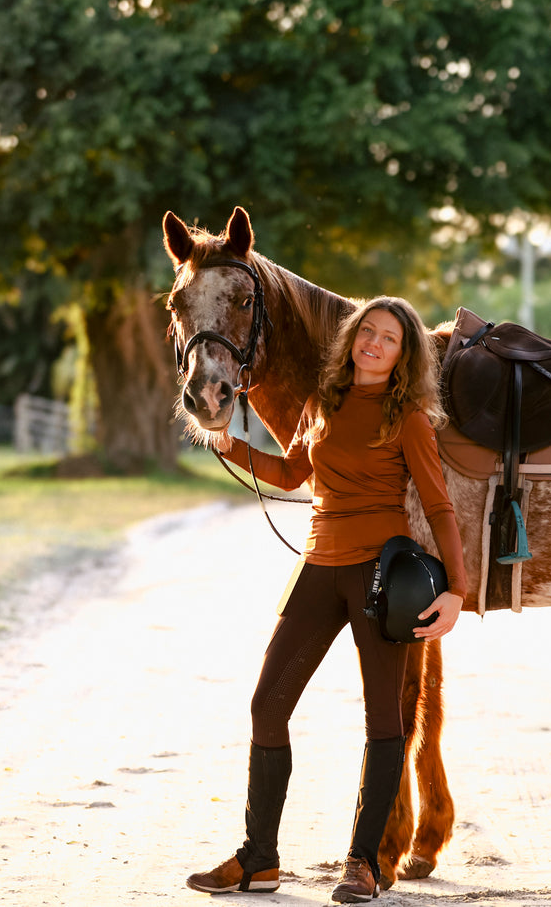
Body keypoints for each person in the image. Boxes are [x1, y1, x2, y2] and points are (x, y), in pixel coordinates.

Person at [186, 297, 469, 903]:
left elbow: (440, 508)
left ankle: (363, 863)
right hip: (317, 566)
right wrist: (227, 439)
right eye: (366, 331)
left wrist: (456, 591)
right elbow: (291, 475)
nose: (372, 343)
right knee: (267, 704)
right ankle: (259, 858)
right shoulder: (320, 403)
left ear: (404, 355)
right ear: (351, 338)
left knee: (384, 720)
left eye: (388, 338)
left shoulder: (410, 418)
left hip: (378, 577)